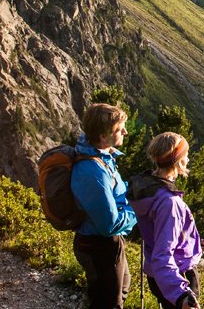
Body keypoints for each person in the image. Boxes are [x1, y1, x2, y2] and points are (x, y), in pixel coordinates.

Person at [130, 132, 204, 309]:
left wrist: (195, 245)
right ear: (178, 161)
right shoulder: (169, 203)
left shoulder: (147, 189)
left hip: (157, 275)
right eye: (186, 155)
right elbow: (164, 253)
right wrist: (181, 295)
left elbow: (157, 235)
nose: (189, 159)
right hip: (177, 276)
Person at [71, 103, 138, 308]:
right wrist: (135, 211)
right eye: (119, 129)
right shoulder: (92, 171)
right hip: (99, 245)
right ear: (102, 136)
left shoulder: (102, 157)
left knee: (120, 288)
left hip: (106, 244)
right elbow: (109, 224)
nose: (126, 132)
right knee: (108, 302)